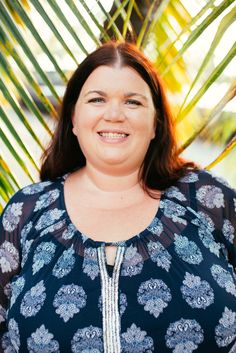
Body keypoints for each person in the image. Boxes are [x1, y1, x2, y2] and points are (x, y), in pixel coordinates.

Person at [0, 41, 235, 353]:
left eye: (133, 103)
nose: (114, 114)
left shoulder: (210, 200)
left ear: (155, 123)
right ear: (73, 119)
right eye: (97, 99)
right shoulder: (26, 212)